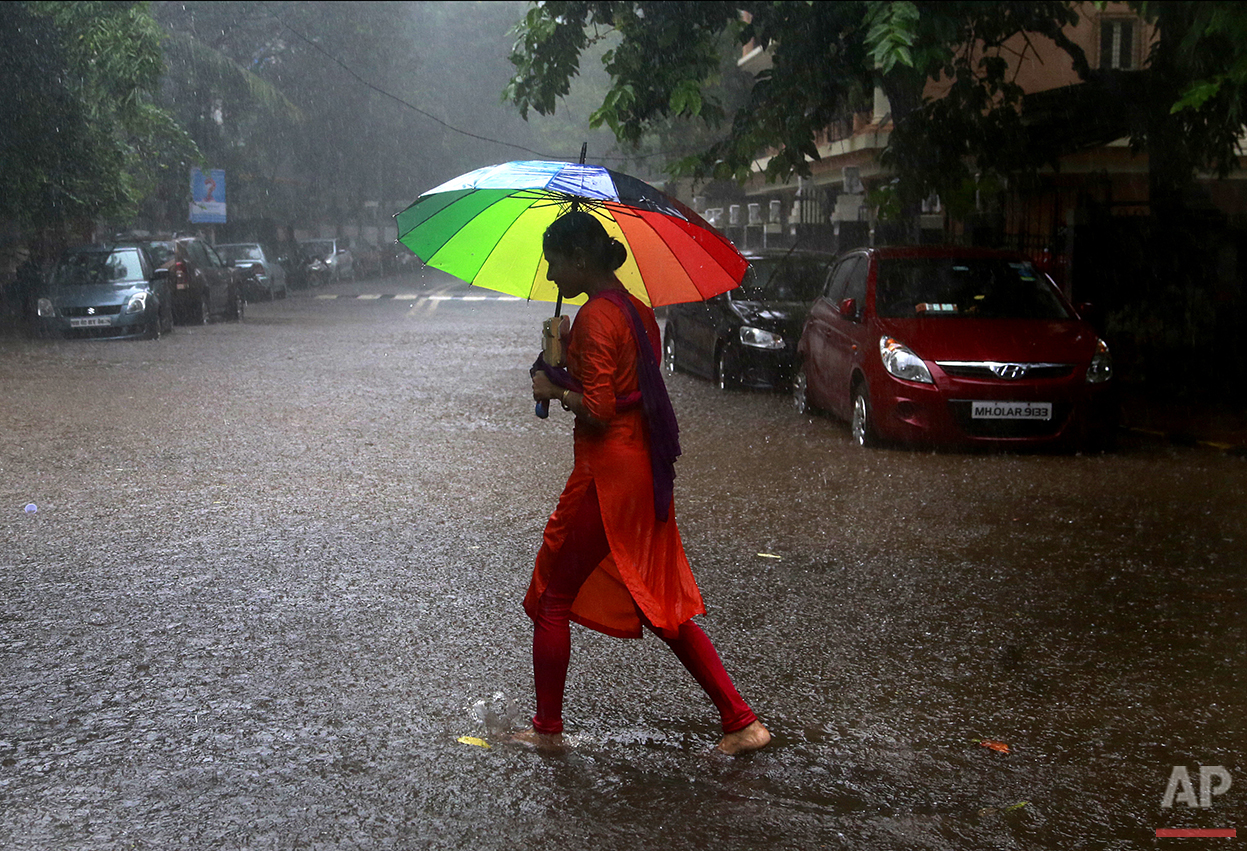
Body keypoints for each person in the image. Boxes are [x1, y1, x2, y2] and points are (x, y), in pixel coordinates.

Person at [522, 210, 770, 755]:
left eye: (555, 262)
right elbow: (624, 385)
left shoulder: (595, 319)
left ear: (580, 259)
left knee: (551, 597)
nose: (551, 274)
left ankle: (546, 731)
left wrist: (553, 386)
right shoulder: (635, 311)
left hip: (605, 476)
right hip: (642, 471)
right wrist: (564, 362)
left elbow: (600, 409)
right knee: (659, 601)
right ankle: (741, 720)